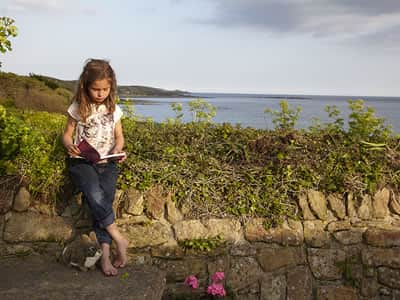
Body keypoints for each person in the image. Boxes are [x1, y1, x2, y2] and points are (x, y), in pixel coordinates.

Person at [62, 58, 128, 276]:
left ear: (111, 87)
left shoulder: (114, 109)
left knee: (104, 201)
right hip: (82, 162)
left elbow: (119, 137)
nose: (100, 93)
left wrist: (117, 150)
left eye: (105, 89)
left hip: (107, 163)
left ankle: (106, 257)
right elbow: (67, 135)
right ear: (85, 86)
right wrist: (70, 145)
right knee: (95, 195)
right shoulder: (78, 107)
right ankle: (119, 239)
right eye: (95, 89)